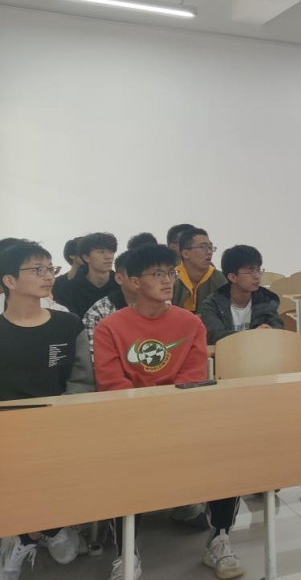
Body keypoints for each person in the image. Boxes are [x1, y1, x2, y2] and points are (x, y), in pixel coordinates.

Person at [94, 244, 242, 580]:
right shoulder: (110, 327)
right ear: (134, 282)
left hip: (181, 414)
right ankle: (126, 552)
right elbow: (112, 385)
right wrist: (147, 417)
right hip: (130, 419)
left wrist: (172, 417)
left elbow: (191, 380)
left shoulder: (190, 323)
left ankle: (219, 538)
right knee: (119, 460)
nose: (167, 281)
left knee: (227, 447)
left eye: (170, 273)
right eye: (157, 274)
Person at [0, 241, 93, 580]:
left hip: (59, 424)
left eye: (50, 268)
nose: (48, 276)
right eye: (37, 270)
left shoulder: (68, 325)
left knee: (54, 463)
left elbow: (82, 381)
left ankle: (32, 534)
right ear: (10, 280)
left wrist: (57, 418)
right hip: (8, 430)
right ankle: (43, 530)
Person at [198, 245, 283, 345]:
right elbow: (214, 336)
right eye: (251, 271)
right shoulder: (213, 304)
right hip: (227, 353)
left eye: (258, 270)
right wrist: (253, 334)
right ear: (233, 277)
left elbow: (278, 330)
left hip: (260, 353)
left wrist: (269, 331)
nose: (257, 276)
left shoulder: (266, 300)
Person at [84, 249, 139, 359]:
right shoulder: (99, 311)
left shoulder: (165, 304)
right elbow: (96, 359)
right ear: (119, 279)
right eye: (137, 275)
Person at [53, 232, 118, 318]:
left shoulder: (122, 284)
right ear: (86, 257)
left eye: (111, 252)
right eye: (101, 252)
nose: (108, 257)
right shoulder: (68, 290)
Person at [173, 227, 227, 312]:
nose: (209, 252)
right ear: (185, 253)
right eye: (203, 247)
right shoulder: (172, 278)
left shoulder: (219, 279)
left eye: (210, 247)